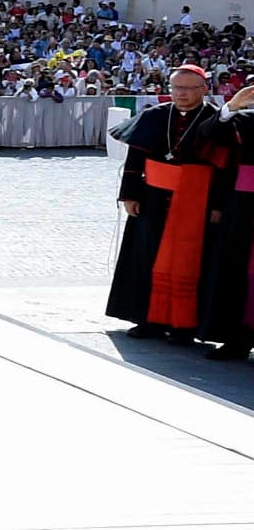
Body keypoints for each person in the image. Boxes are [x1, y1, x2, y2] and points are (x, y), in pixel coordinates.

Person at [106, 65, 231, 341]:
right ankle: (147, 319)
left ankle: (184, 325)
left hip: (197, 201)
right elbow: (135, 158)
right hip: (151, 199)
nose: (181, 94)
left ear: (203, 90)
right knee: (146, 256)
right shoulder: (154, 116)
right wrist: (129, 194)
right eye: (176, 88)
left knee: (191, 260)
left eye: (188, 88)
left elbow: (224, 168)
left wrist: (218, 206)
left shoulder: (215, 120)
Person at [200, 76, 254, 361]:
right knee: (239, 271)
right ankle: (238, 340)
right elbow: (210, 135)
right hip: (246, 205)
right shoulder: (245, 119)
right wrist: (232, 107)